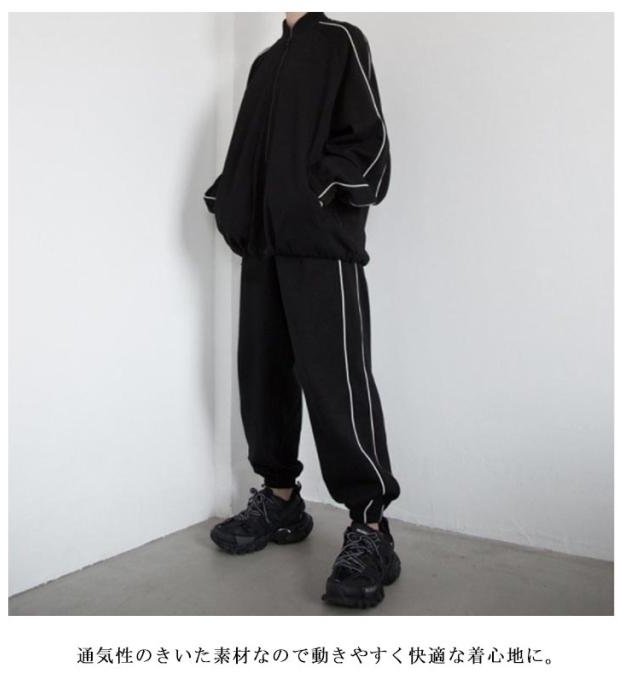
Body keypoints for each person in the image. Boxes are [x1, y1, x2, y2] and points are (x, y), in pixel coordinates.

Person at [203, 11, 401, 608]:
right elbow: (246, 150)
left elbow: (368, 143)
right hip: (263, 247)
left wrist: (316, 196)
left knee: (337, 383)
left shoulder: (340, 40)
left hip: (320, 247)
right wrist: (231, 201)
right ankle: (281, 498)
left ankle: (371, 528)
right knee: (262, 376)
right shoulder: (264, 63)